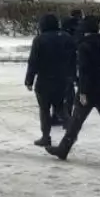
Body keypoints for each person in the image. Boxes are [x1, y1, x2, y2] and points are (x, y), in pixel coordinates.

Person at [47, 15, 100, 165]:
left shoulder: (83, 46)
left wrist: (82, 91)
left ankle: (63, 149)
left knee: (76, 122)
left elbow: (83, 71)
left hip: (88, 90)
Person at [24, 13, 77, 149]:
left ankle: (46, 137)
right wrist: (73, 76)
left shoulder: (40, 40)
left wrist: (29, 80)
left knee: (44, 109)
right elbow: (74, 59)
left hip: (45, 79)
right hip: (63, 79)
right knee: (60, 107)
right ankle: (72, 131)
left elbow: (33, 61)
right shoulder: (67, 37)